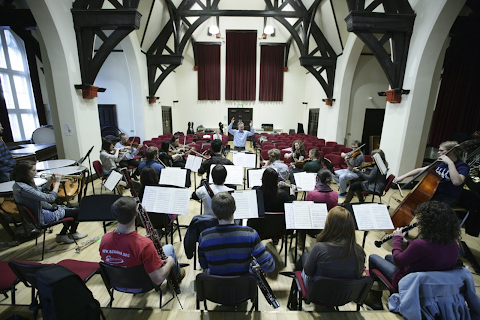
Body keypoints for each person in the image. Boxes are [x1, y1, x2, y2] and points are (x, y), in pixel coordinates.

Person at [366, 201, 461, 309]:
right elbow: (429, 253)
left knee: (373, 257)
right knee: (388, 257)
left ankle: (374, 298)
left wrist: (396, 239)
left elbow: (398, 260)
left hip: (409, 282)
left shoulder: (421, 245)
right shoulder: (454, 246)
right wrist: (407, 243)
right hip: (431, 285)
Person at [99, 197, 184, 285]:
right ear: (136, 213)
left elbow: (122, 253)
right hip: (141, 283)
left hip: (120, 282)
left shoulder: (105, 239)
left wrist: (142, 241)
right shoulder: (145, 244)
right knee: (169, 248)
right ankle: (177, 276)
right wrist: (169, 263)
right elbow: (158, 279)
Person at [198, 192, 275, 275]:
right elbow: (269, 267)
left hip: (215, 285)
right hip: (243, 285)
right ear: (235, 208)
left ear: (214, 212)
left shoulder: (204, 236)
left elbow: (204, 265)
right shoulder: (250, 234)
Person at [12, 160, 87, 244]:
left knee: (74, 209)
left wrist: (50, 181)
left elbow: (40, 192)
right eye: (33, 170)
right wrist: (57, 182)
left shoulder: (22, 184)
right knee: (78, 211)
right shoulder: (23, 188)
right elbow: (50, 198)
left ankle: (68, 234)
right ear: (24, 173)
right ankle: (65, 234)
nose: (35, 172)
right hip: (42, 216)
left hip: (41, 211)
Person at [293, 206, 365, 290]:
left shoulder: (319, 248)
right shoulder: (359, 251)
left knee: (305, 256)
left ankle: (296, 291)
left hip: (318, 293)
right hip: (344, 295)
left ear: (329, 225)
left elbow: (308, 272)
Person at [394, 140, 469, 206]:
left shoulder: (462, 166)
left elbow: (456, 182)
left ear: (452, 152)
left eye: (441, 150)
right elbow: (421, 170)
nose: (438, 152)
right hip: (434, 193)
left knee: (430, 207)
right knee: (416, 202)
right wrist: (403, 176)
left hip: (448, 197)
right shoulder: (440, 163)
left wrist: (450, 163)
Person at [247, 168, 295, 242]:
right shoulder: (282, 195)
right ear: (276, 180)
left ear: (262, 179)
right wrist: (292, 193)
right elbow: (291, 207)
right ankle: (274, 239)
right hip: (277, 229)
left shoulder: (255, 191)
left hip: (257, 227)